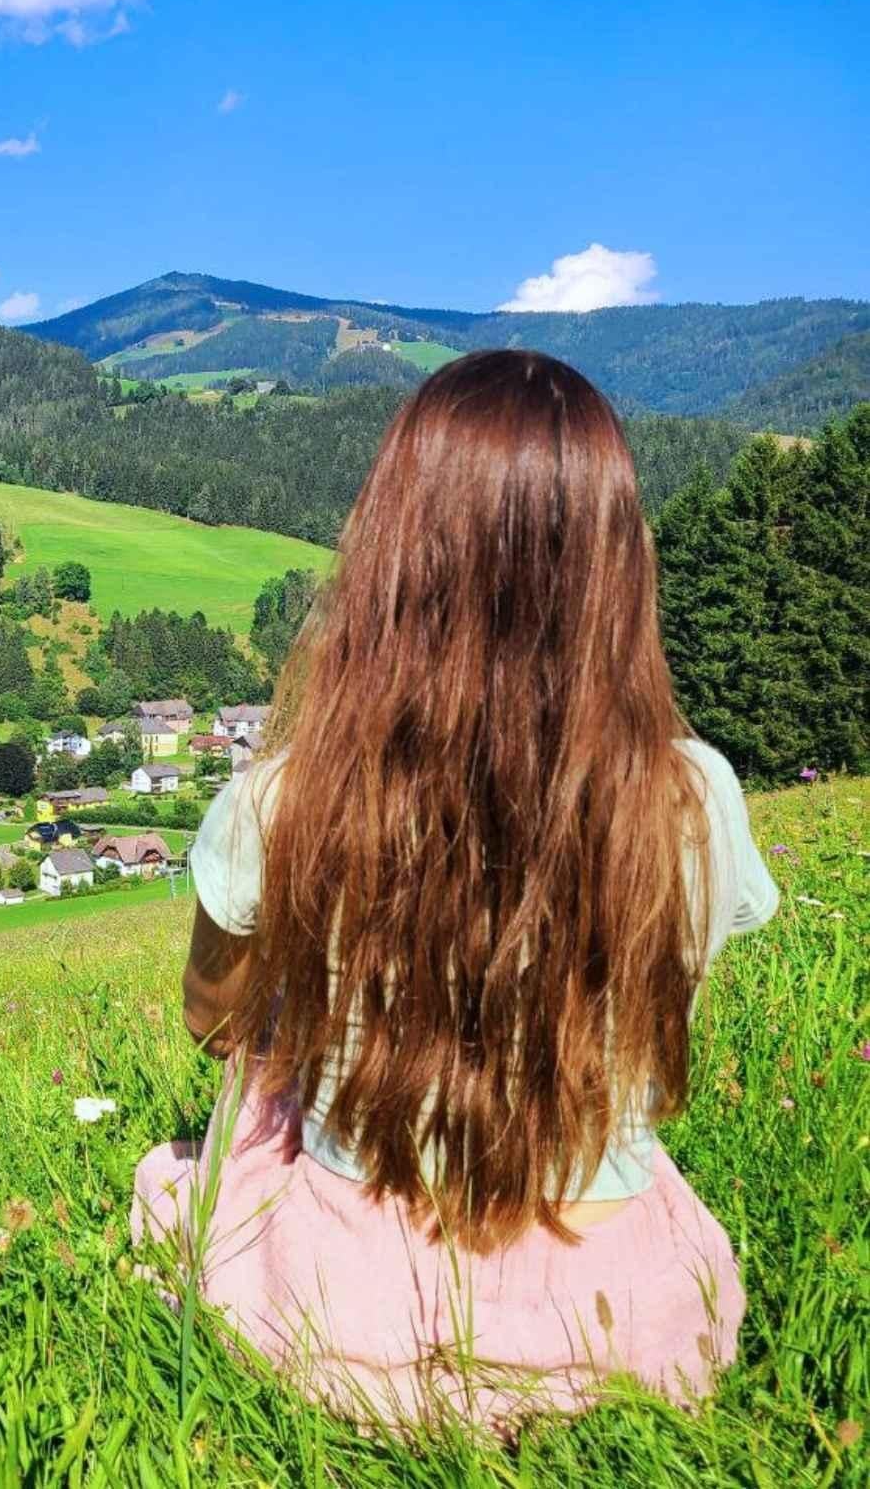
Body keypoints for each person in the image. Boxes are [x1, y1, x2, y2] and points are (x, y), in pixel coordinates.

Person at [131, 350, 778, 1431]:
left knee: (193, 1165)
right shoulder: (691, 800)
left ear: (389, 554)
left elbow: (218, 1023)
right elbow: (661, 1030)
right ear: (618, 564)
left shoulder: (281, 803)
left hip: (347, 1308)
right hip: (625, 1316)